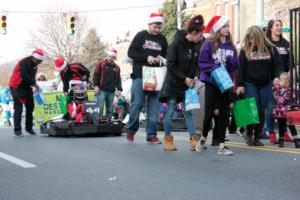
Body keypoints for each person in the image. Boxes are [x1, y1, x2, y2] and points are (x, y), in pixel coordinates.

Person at [159, 15, 204, 151]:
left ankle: (193, 140)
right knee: (171, 110)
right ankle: (168, 140)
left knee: (189, 112)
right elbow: (171, 65)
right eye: (200, 35)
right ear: (194, 33)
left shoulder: (195, 46)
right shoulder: (176, 43)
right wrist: (184, 78)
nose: (201, 38)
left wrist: (195, 76)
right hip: (173, 84)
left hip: (188, 85)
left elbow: (196, 65)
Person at [197, 16, 239, 156]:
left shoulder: (231, 46)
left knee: (224, 114)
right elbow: (202, 62)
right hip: (212, 83)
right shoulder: (209, 44)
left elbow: (235, 66)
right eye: (224, 26)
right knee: (209, 113)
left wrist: (232, 60)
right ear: (217, 28)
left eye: (228, 26)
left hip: (225, 84)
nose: (227, 29)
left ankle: (222, 146)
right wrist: (214, 67)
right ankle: (203, 138)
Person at [124, 13, 168, 144]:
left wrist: (162, 59)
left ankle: (151, 135)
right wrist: (146, 57)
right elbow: (131, 53)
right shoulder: (140, 36)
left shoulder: (162, 39)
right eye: (155, 27)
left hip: (156, 76)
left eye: (159, 27)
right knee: (137, 103)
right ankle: (131, 129)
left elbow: (168, 57)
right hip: (140, 75)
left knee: (154, 107)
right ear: (149, 24)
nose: (157, 30)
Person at [236, 25, 284, 146]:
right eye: (250, 38)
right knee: (253, 108)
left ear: (260, 37)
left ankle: (257, 136)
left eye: (254, 38)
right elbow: (241, 69)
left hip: (265, 83)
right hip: (250, 83)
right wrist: (240, 84)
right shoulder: (245, 50)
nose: (252, 41)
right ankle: (249, 134)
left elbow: (278, 65)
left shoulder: (271, 49)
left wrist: (277, 76)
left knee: (262, 110)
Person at [265, 19, 293, 143]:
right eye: (277, 25)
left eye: (281, 25)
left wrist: (289, 75)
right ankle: (271, 132)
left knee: (285, 107)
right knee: (271, 106)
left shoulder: (286, 44)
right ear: (270, 28)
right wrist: (273, 77)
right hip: (272, 79)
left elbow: (291, 61)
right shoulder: (267, 44)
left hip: (285, 80)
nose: (279, 27)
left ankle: (284, 131)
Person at [9, 49, 46, 136]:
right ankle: (17, 130)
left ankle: (29, 128)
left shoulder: (35, 66)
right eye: (39, 60)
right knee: (18, 108)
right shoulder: (24, 62)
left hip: (27, 87)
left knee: (30, 107)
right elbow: (23, 74)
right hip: (16, 86)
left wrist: (35, 85)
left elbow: (32, 78)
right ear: (34, 58)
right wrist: (33, 83)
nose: (40, 62)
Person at [272, 73, 300, 148]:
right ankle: (281, 140)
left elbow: (283, 99)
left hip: (288, 111)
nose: (279, 82)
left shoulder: (290, 90)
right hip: (280, 112)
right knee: (281, 125)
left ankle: (296, 139)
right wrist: (275, 83)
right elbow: (274, 91)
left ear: (287, 82)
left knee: (291, 125)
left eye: (281, 80)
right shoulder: (279, 89)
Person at [93, 49, 123, 117]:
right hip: (101, 90)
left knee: (110, 109)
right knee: (99, 107)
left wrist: (119, 89)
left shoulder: (117, 68)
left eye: (112, 57)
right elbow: (96, 75)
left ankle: (108, 123)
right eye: (109, 56)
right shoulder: (100, 64)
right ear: (107, 56)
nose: (110, 58)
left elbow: (118, 79)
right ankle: (98, 123)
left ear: (114, 58)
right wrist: (96, 86)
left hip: (111, 91)